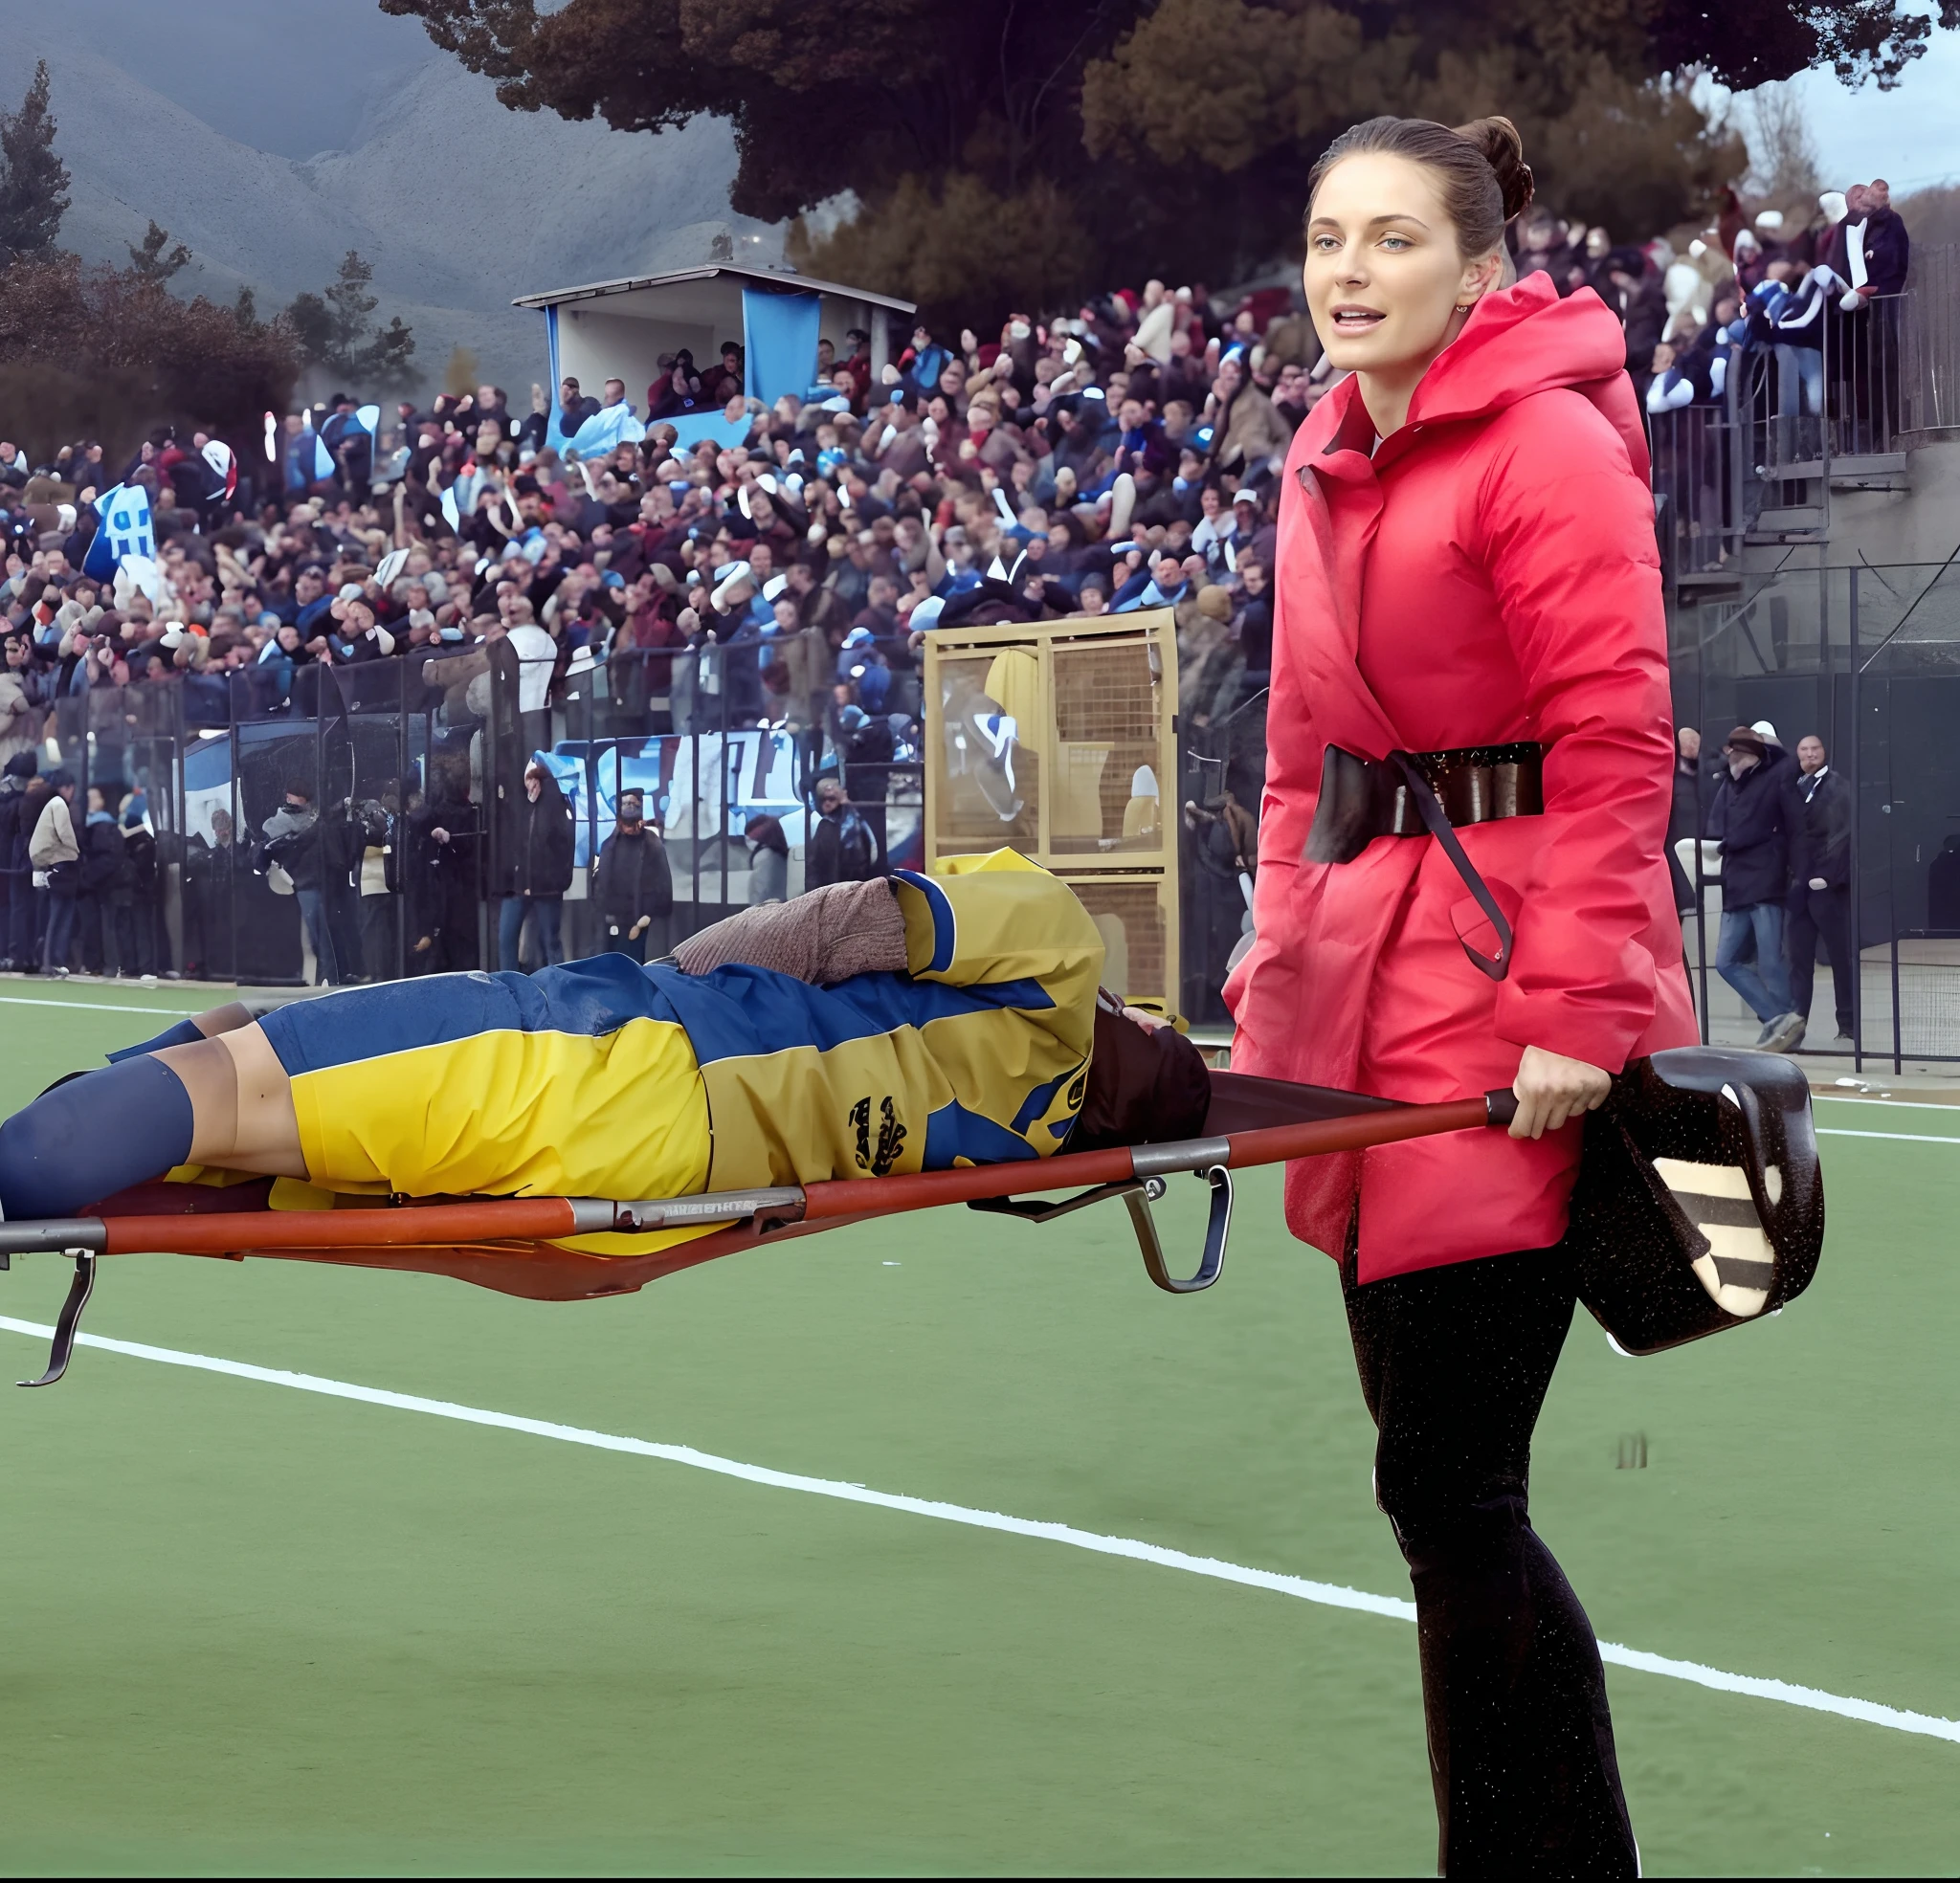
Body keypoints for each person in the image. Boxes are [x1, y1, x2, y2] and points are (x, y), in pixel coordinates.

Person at [1228, 114, 1700, 1873]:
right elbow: (1296, 759)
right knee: (1436, 1488)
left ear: (1478, 268)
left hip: (1505, 1000)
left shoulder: (1546, 446)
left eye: (1390, 240)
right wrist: (1276, 950)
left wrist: (1576, 1012)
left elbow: (1611, 737)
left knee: (1447, 1483)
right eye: (1324, 235)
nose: (1344, 271)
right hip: (1367, 993)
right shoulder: (1324, 450)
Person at [0, 862, 1211, 1271]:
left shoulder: (1057, 958)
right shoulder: (1040, 1136)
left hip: (619, 1050)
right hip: (648, 1192)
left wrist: (671, 970)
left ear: (1144, 1031)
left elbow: (838, 928)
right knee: (232, 1057)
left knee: (181, 1108)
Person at [1707, 726, 1804, 1051]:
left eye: (1737, 752)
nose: (1731, 757)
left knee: (1770, 960)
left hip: (1765, 878)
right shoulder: (1729, 786)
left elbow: (1790, 772)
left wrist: (1772, 746)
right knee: (1726, 962)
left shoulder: (1774, 776)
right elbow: (1716, 826)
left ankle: (1782, 1028)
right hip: (1737, 882)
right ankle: (1780, 1021)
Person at [1784, 733, 1854, 1045]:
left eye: (1815, 749)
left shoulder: (1838, 787)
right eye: (1804, 749)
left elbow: (1843, 833)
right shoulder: (1793, 788)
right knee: (1799, 962)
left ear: (1824, 752)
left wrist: (1826, 875)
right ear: (1797, 754)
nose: (1810, 754)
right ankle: (1797, 1028)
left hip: (1827, 889)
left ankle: (1848, 1024)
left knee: (1839, 958)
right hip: (1799, 890)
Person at [256, 781, 339, 986]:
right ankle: (321, 977)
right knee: (313, 937)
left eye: (302, 798)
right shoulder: (279, 822)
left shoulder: (315, 818)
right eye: (295, 797)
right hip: (296, 886)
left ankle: (326, 977)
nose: (297, 801)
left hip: (311, 884)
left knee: (320, 936)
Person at [498, 759, 575, 971]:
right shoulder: (526, 806)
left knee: (549, 940)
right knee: (509, 937)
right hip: (523, 884)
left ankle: (556, 983)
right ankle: (511, 982)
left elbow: (560, 849)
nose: (529, 785)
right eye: (527, 780)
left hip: (543, 886)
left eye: (533, 780)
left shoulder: (552, 807)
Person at [593, 786, 673, 963]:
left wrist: (645, 918)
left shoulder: (652, 844)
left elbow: (663, 885)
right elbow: (602, 885)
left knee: (635, 967)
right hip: (612, 922)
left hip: (640, 921)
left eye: (633, 803)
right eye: (625, 803)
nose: (629, 806)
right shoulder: (610, 844)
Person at [29, 769, 80, 976]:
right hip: (58, 864)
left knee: (56, 915)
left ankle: (51, 961)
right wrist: (76, 851)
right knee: (58, 915)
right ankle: (50, 961)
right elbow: (64, 833)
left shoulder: (49, 805)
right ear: (67, 788)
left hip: (48, 865)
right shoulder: (59, 804)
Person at [805, 777, 877, 888]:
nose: (827, 803)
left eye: (831, 799)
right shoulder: (825, 825)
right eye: (823, 800)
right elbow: (814, 865)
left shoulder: (853, 822)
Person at [1667, 725, 1705, 914]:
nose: (1693, 745)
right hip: (1678, 851)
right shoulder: (1671, 781)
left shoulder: (1706, 776)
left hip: (1703, 849)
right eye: (1689, 741)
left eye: (1696, 741)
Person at [745, 812, 790, 905]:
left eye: (751, 837)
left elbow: (760, 890)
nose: (748, 840)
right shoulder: (782, 856)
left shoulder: (765, 856)